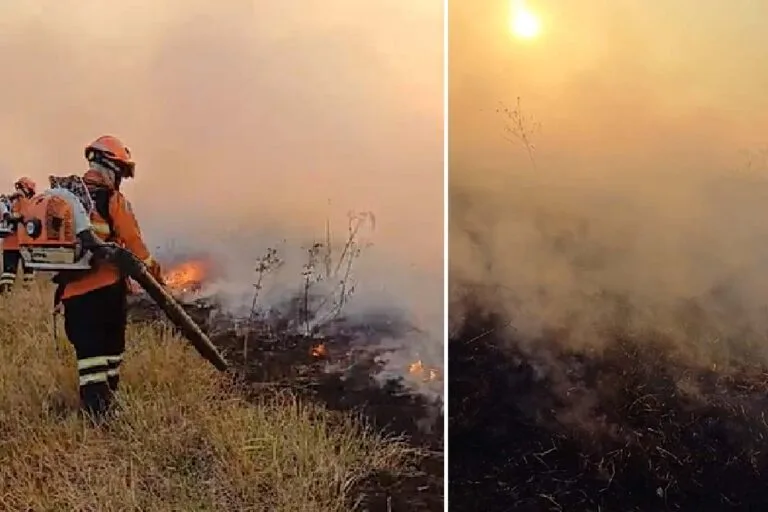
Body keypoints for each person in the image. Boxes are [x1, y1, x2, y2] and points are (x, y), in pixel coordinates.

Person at [55, 135, 162, 420]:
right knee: (108, 353)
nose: (122, 180)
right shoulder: (112, 199)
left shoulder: (65, 199)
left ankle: (98, 409)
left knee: (89, 357)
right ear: (112, 167)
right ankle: (100, 416)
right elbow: (134, 244)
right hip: (104, 292)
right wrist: (156, 274)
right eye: (122, 173)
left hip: (72, 295)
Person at [0, 177, 37, 294]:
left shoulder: (8, 201)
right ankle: (25, 296)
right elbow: (26, 217)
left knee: (9, 273)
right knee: (26, 272)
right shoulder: (25, 201)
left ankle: (7, 295)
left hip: (11, 242)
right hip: (24, 242)